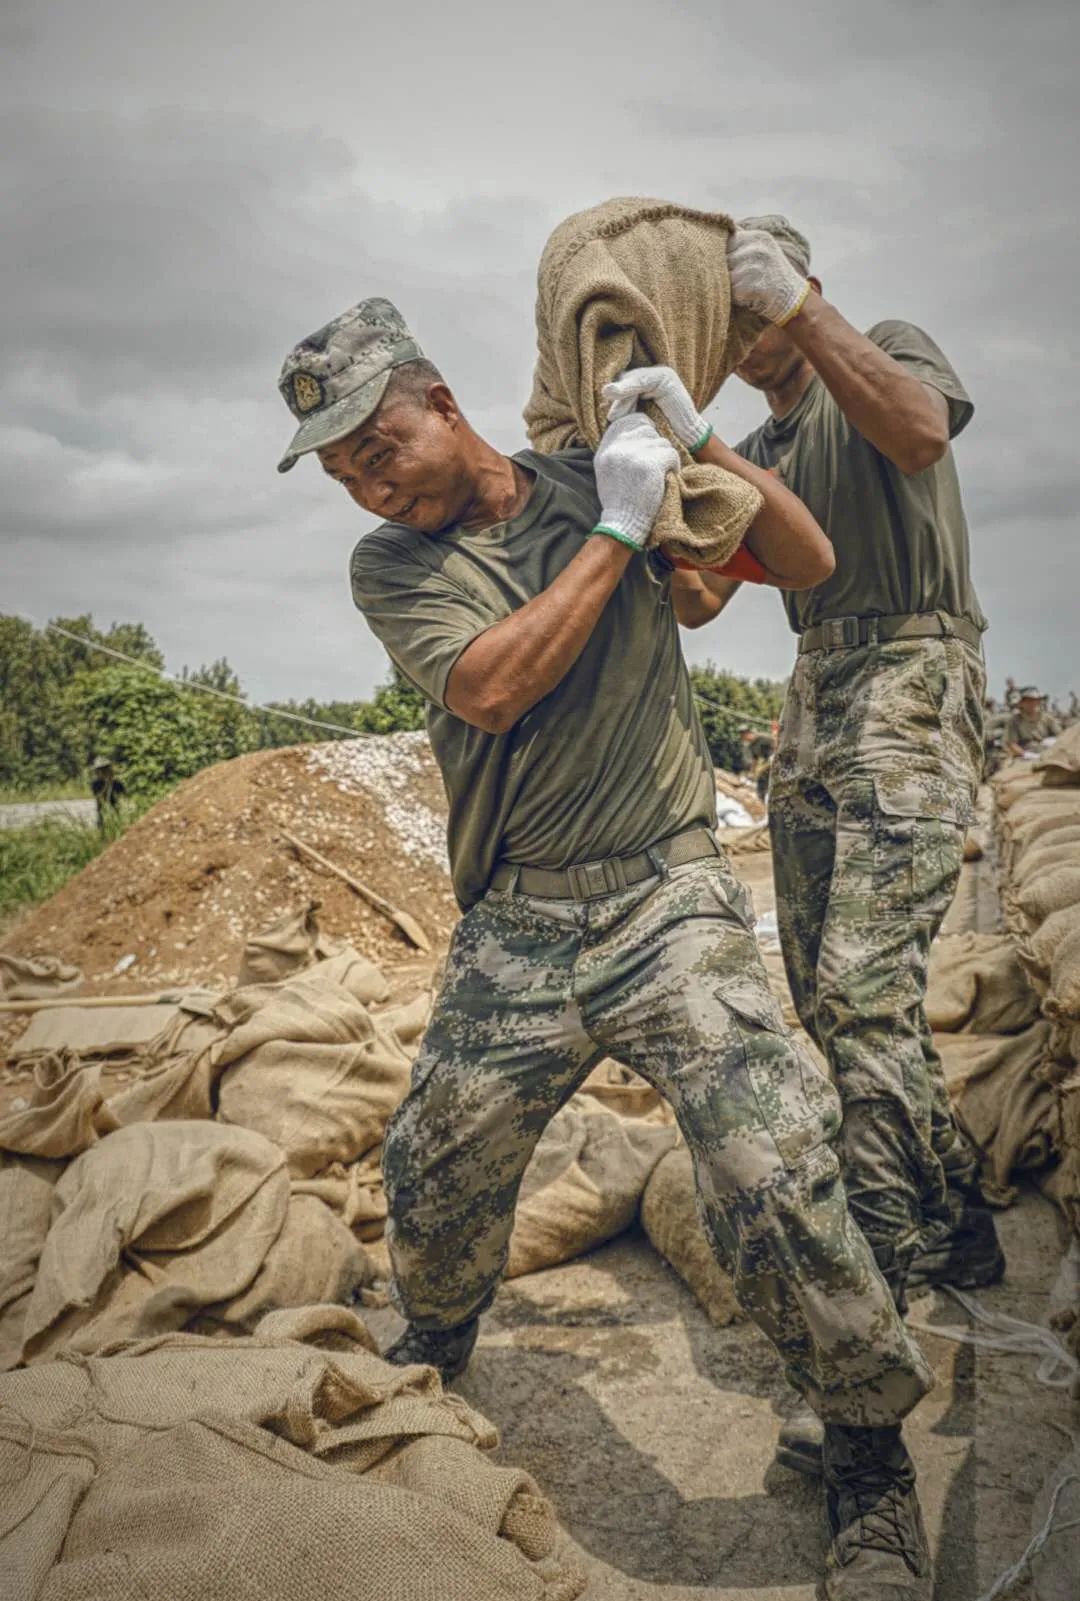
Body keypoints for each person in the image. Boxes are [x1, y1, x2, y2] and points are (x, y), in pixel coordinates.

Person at [277, 296, 940, 1598]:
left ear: (442, 403)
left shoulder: (604, 467)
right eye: (343, 470)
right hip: (518, 917)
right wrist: (621, 528)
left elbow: (806, 565)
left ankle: (868, 1459)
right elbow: (490, 683)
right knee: (435, 1165)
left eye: (377, 444)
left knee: (774, 1159)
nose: (366, 482)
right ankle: (444, 1346)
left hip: (665, 899)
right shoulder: (397, 566)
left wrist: (704, 450)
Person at [614, 219, 1003, 1490]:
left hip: (912, 672)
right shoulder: (765, 447)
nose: (742, 336)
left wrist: (806, 303)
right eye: (730, 321)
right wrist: (659, 489)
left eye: (751, 307)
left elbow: (921, 434)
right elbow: (702, 596)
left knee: (862, 992)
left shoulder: (880, 351)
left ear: (803, 292)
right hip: (819, 696)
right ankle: (963, 1222)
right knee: (831, 998)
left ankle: (875, 1315)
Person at [1004, 686, 1061, 756]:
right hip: (1024, 756)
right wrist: (1025, 754)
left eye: (1035, 700)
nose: (1033, 703)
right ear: (1021, 703)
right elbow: (1011, 743)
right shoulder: (1014, 721)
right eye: (1028, 701)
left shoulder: (1047, 718)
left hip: (1049, 752)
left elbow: (1061, 735)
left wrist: (1052, 741)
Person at [88, 756, 126, 831]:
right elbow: (99, 797)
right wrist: (107, 784)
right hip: (103, 814)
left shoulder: (117, 783)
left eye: (105, 769)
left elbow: (124, 797)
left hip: (115, 814)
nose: (103, 772)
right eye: (101, 770)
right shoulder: (95, 783)